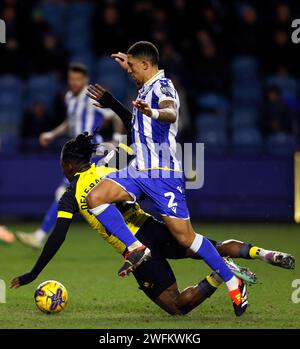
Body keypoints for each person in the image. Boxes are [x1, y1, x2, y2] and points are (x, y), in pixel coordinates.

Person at [10, 133, 295, 316]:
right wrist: (112, 103)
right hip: (153, 227)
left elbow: (57, 237)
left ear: (69, 166)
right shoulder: (111, 169)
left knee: (177, 306)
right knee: (208, 246)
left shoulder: (70, 195)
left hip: (135, 252)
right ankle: (262, 254)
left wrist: (34, 273)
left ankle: (219, 276)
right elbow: (132, 131)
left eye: (62, 164)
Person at [86, 41, 249, 316]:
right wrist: (130, 62)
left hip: (163, 175)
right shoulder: (144, 85)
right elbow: (139, 73)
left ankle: (233, 281)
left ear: (147, 66)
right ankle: (136, 248)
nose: (130, 74)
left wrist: (154, 113)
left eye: (133, 69)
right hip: (138, 171)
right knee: (96, 198)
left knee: (186, 238)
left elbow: (171, 111)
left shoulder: (163, 87)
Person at [16, 63, 124, 249]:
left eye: (77, 79)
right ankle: (129, 234)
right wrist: (52, 133)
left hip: (92, 152)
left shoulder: (91, 97)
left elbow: (115, 116)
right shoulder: (69, 97)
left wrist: (116, 139)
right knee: (96, 196)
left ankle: (40, 236)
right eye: (71, 79)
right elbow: (69, 122)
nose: (74, 82)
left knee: (68, 194)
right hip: (77, 154)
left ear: (85, 80)